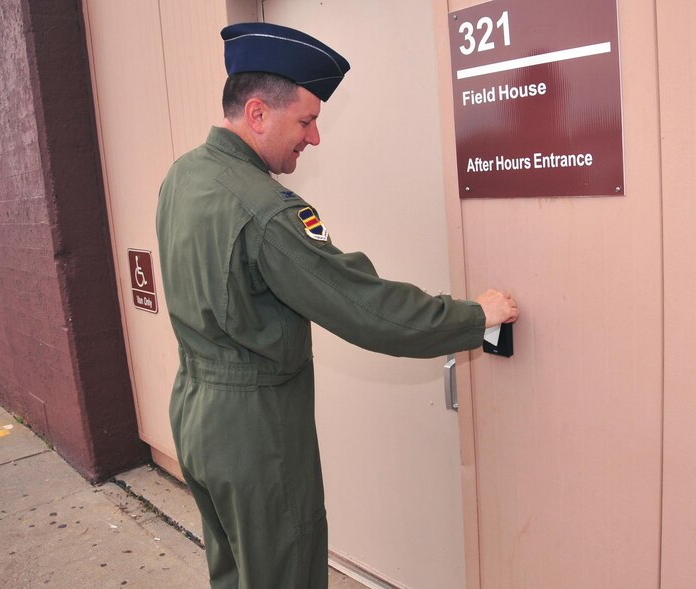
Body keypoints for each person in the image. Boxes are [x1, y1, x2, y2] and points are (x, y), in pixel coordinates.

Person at [155, 22, 519, 589]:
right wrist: (476, 316)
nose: (315, 137)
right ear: (257, 114)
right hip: (256, 434)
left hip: (195, 416)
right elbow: (364, 308)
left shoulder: (184, 176)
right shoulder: (267, 212)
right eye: (306, 120)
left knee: (235, 574)